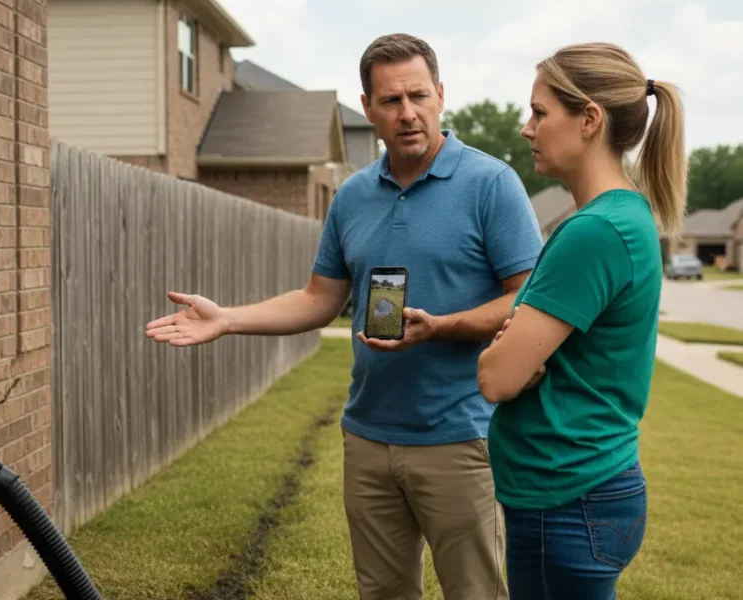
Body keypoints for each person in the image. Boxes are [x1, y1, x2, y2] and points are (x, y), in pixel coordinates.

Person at [146, 33, 543, 599]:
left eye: (418, 96)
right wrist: (227, 318)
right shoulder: (352, 197)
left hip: (458, 437)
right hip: (367, 437)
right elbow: (318, 298)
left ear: (440, 96)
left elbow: (526, 300)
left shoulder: (491, 184)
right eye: (390, 101)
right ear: (368, 109)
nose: (407, 113)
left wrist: (442, 327)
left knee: (475, 592)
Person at [477, 42, 687, 600]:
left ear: (589, 120)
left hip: (567, 499)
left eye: (540, 112)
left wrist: (513, 352)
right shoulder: (621, 215)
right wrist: (521, 351)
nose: (526, 128)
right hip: (582, 492)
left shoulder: (596, 232)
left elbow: (496, 377)